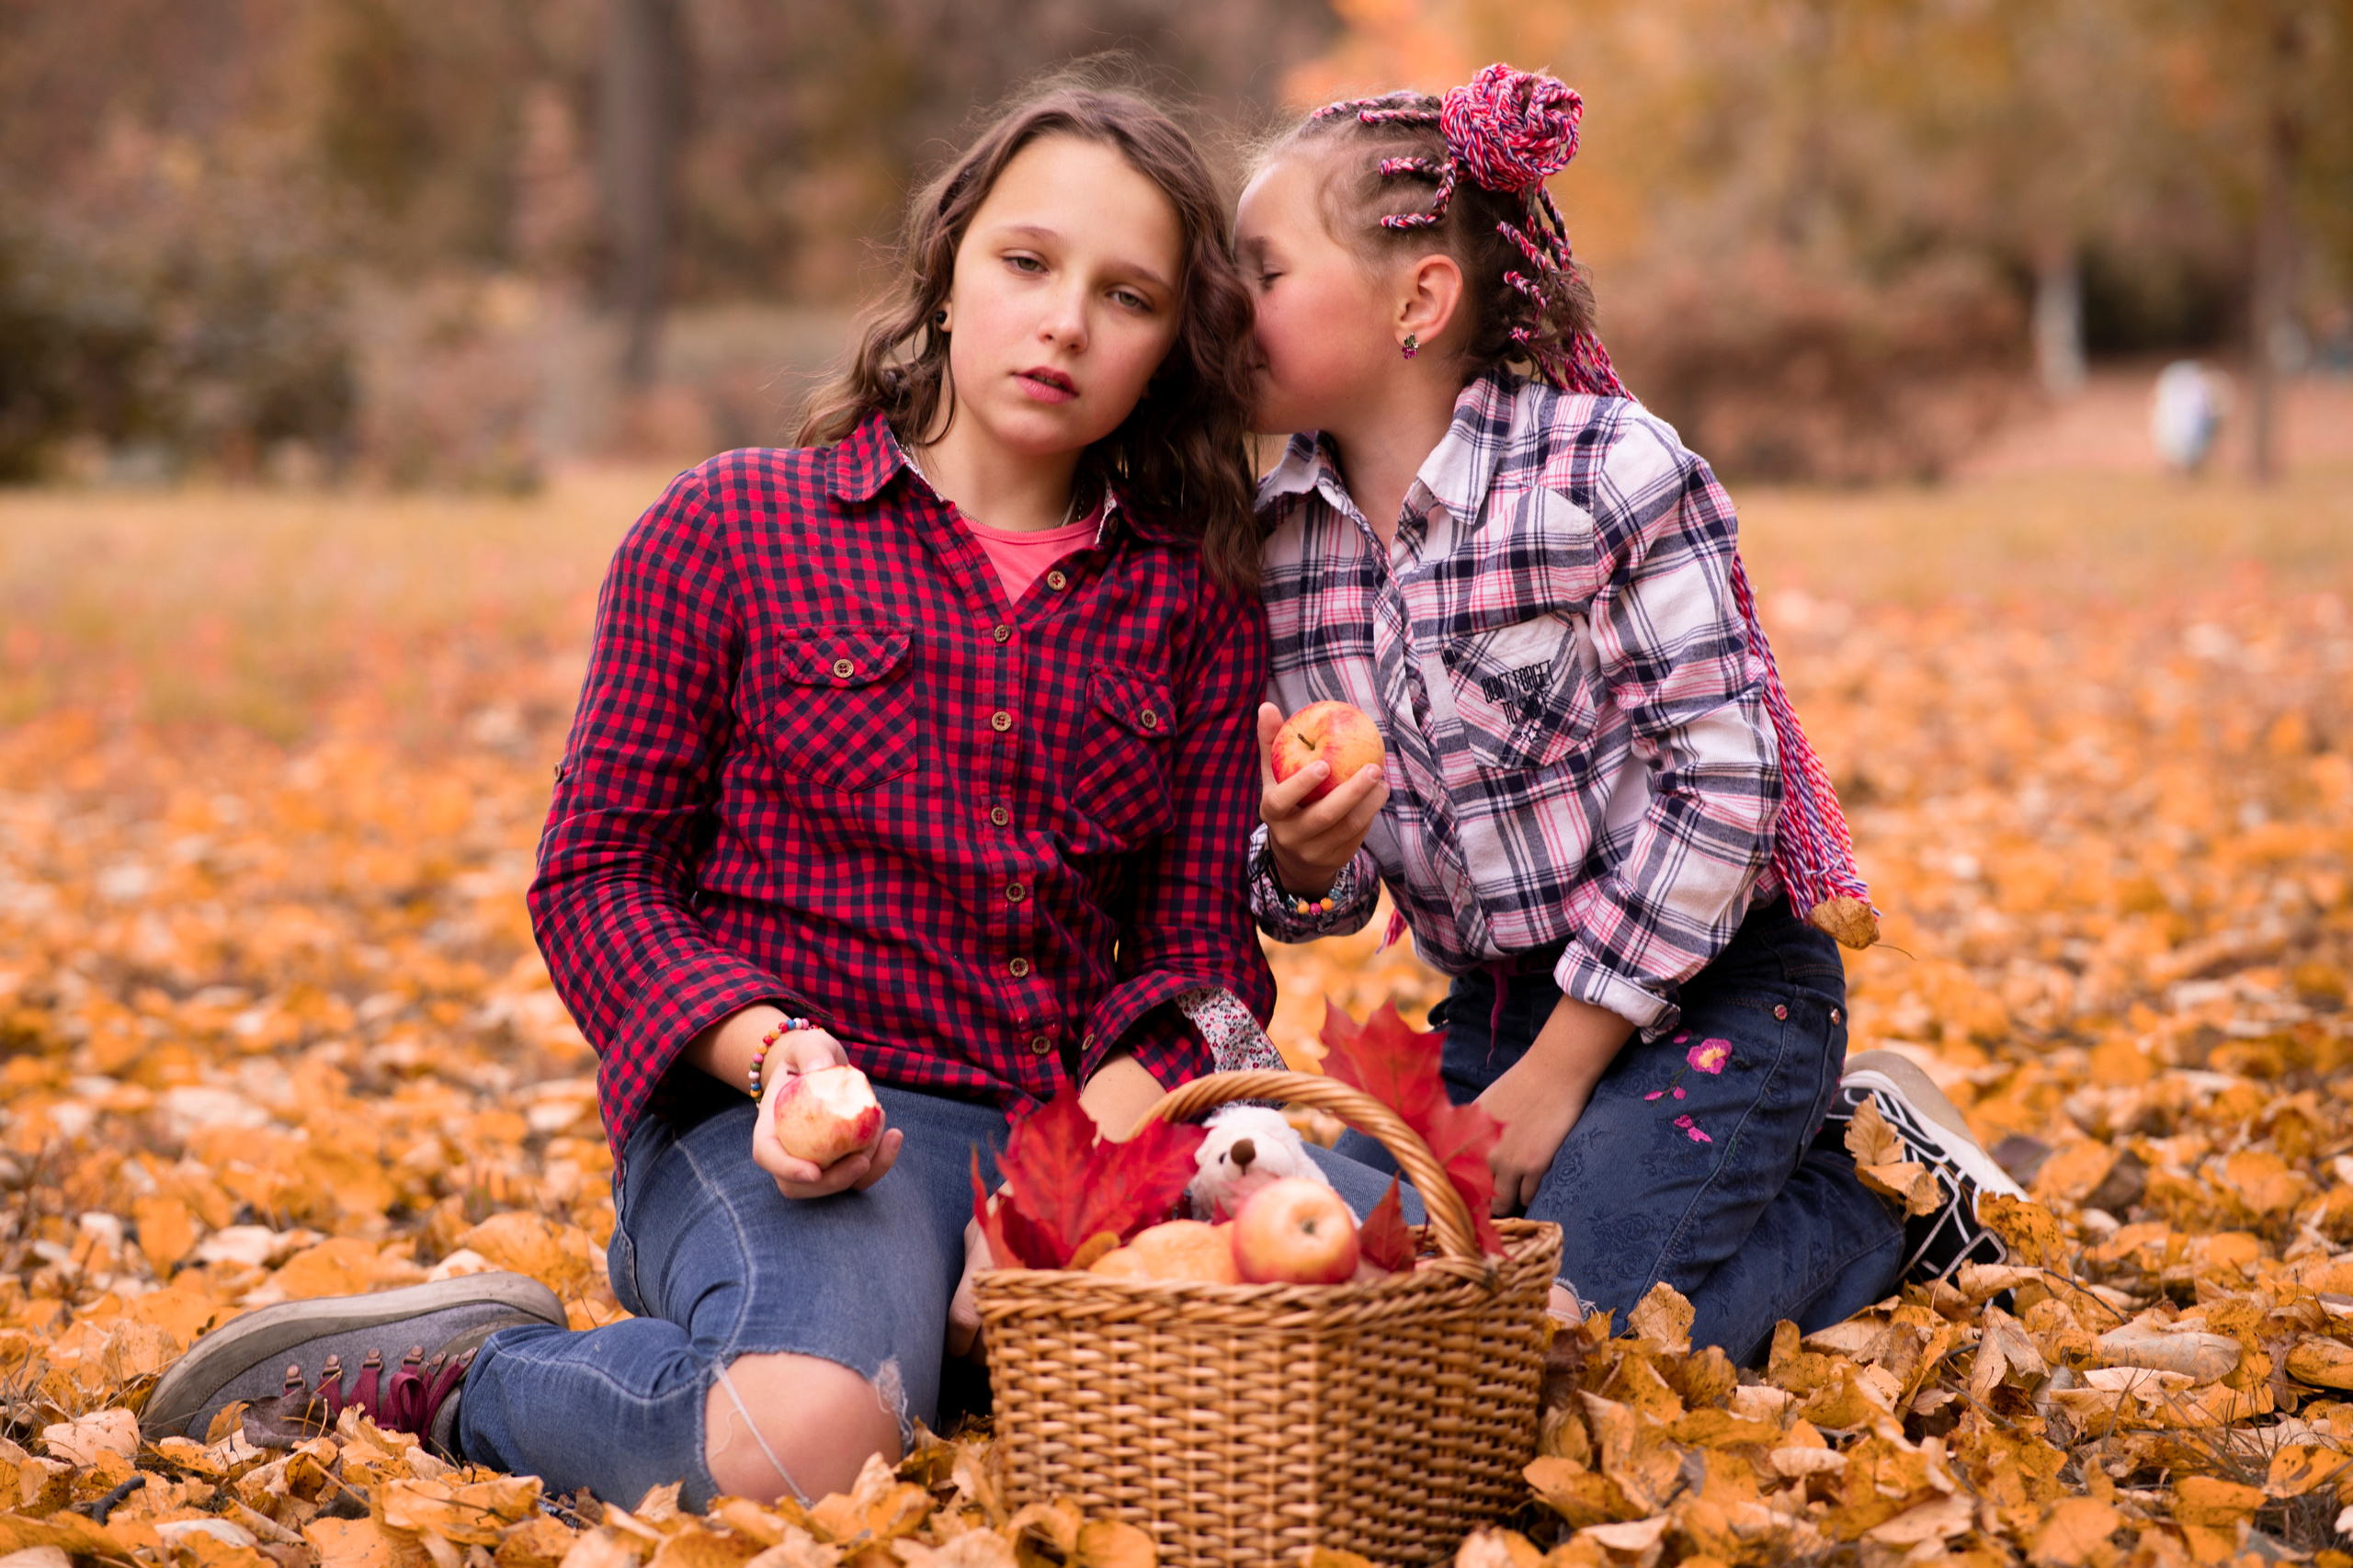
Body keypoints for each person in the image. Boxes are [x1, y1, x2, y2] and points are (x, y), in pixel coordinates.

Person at [142, 76, 1294, 1506]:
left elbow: (1204, 958)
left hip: (1076, 1118)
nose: (1065, 319)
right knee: (804, 1441)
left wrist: (1058, 1188)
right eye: (1027, 261)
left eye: (1128, 295)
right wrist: (779, 1060)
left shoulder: (1191, 594)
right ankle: (460, 1379)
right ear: (945, 275)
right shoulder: (732, 527)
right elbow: (594, 878)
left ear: (1171, 345)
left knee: (1337, 1316)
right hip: (786, 1130)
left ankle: (922, 1326)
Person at [1237, 66, 2025, 1365]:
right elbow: (1297, 881)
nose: (1226, 306)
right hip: (1495, 1006)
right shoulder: (1279, 547)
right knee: (1378, 1302)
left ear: (1418, 301)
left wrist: (1560, 1074)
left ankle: (1881, 1199)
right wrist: (1305, 858)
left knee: (1570, 1336)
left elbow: (1724, 788)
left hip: (1721, 995)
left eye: (1262, 272)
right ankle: (1707, 1182)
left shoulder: (1605, 475)